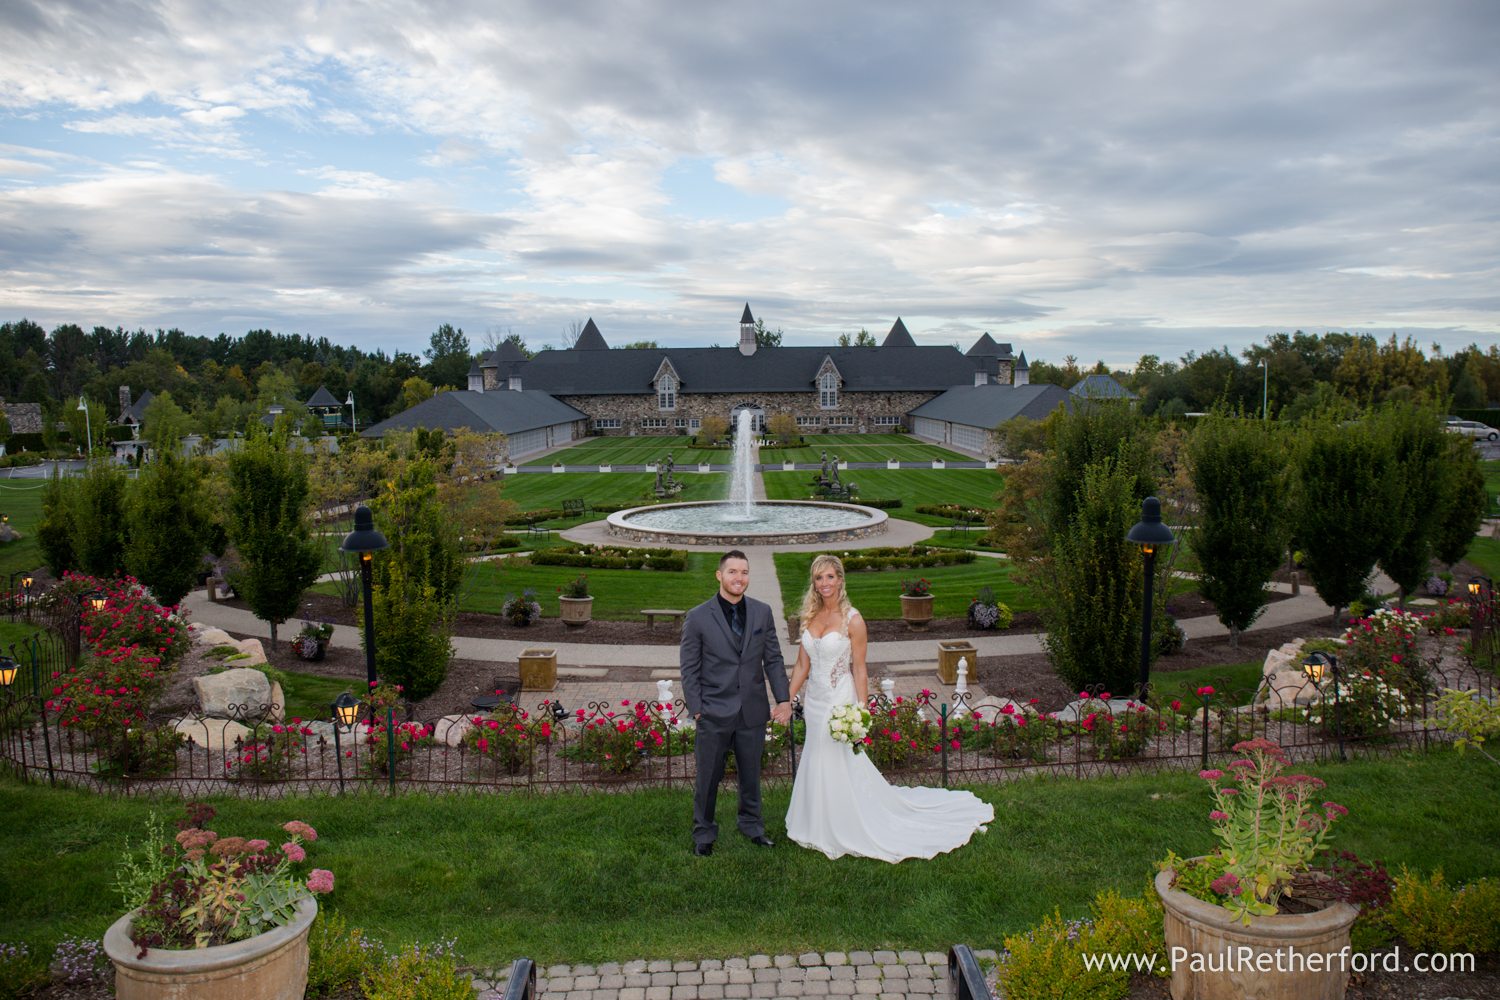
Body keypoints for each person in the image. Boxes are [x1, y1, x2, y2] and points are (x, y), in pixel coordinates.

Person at [785, 554, 993, 862]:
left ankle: (844, 822)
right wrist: (785, 700)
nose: (824, 583)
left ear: (840, 580)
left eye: (830, 576)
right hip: (815, 701)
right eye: (819, 578)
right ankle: (815, 820)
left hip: (839, 699)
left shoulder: (853, 619)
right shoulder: (810, 616)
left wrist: (861, 711)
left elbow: (859, 669)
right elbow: (803, 665)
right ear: (814, 583)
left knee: (838, 757)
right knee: (817, 755)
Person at [680, 550, 791, 856]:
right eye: (732, 572)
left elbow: (773, 659)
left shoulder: (762, 612)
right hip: (713, 711)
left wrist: (783, 699)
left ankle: (752, 826)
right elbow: (689, 667)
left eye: (744, 572)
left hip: (752, 710)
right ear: (719, 575)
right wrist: (697, 708)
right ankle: (704, 832)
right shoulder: (698, 617)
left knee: (751, 775)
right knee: (708, 778)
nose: (739, 578)